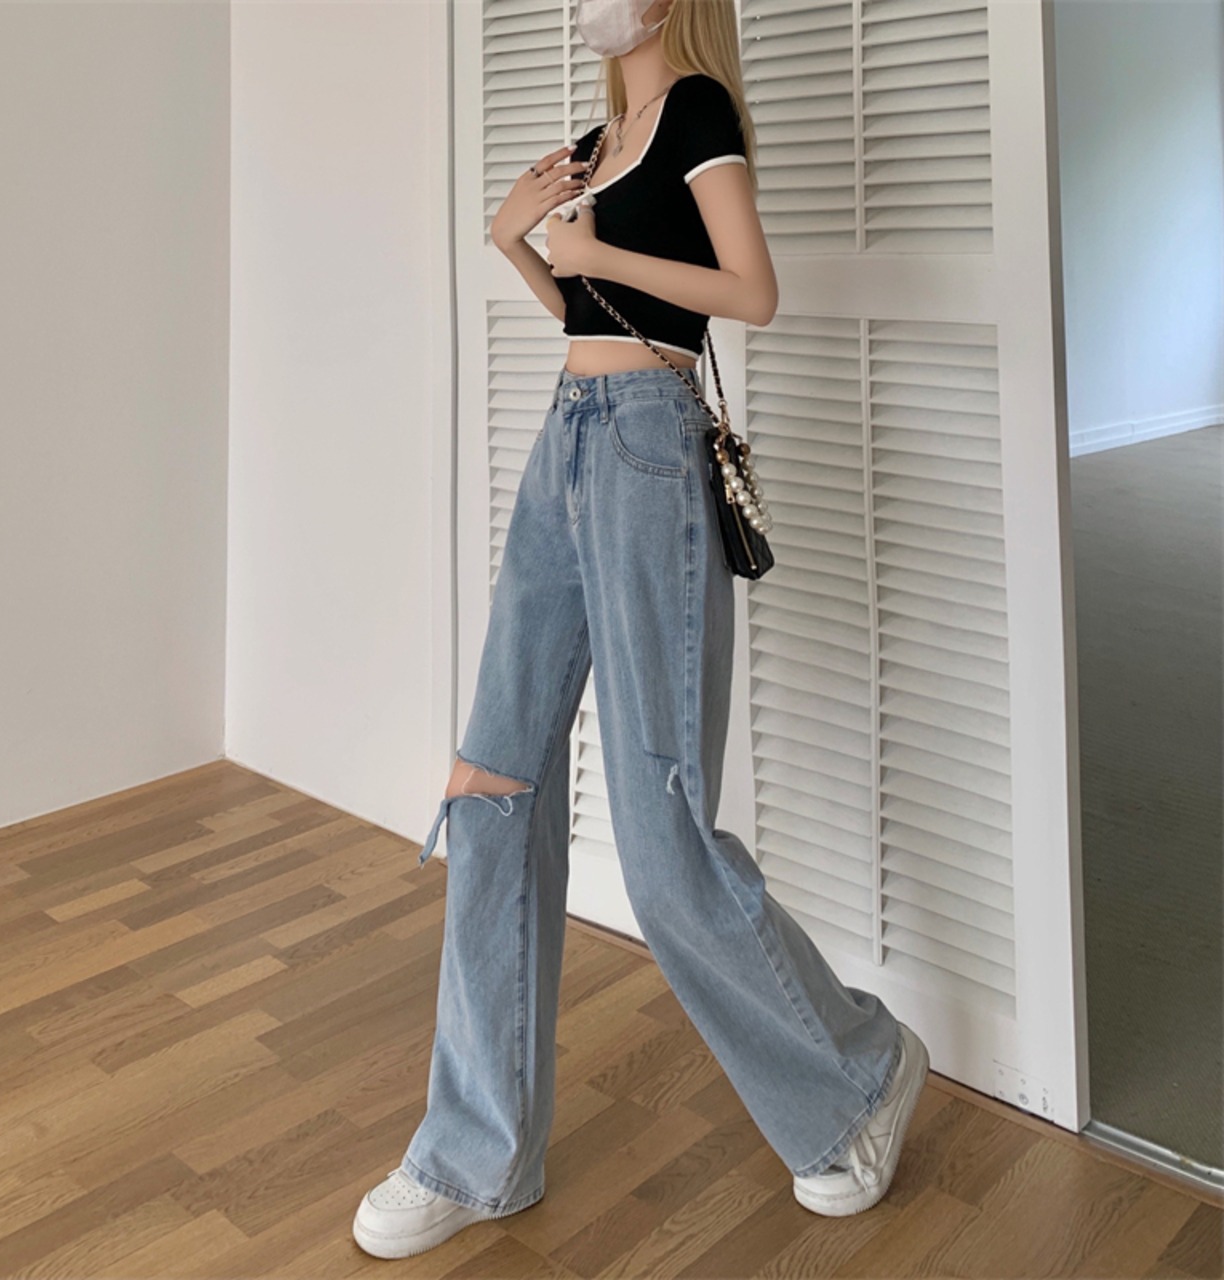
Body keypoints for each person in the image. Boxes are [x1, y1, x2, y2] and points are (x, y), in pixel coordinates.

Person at [352, 0, 930, 1260]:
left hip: (648, 452)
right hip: (563, 442)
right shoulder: (595, 138)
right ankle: (477, 1150)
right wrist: (517, 238)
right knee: (489, 781)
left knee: (660, 827)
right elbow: (583, 308)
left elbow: (749, 293)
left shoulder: (695, 114)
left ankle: (858, 1071)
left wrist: (594, 247)